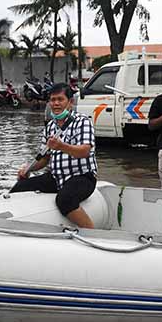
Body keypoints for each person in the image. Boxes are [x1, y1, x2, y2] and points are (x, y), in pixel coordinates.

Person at [10, 83, 98, 228]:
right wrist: (28, 169)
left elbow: (84, 151)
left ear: (70, 102)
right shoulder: (50, 127)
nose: (56, 103)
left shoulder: (82, 122)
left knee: (65, 200)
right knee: (20, 187)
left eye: (60, 99)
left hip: (83, 177)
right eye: (52, 100)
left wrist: (61, 146)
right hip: (56, 177)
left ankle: (92, 233)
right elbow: (44, 158)